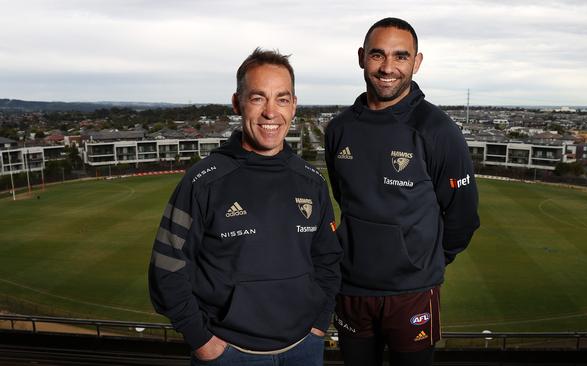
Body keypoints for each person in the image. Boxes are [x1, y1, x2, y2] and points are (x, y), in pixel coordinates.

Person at [149, 48, 342, 366]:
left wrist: (319, 324)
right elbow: (166, 269)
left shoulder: (311, 181)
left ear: (293, 106)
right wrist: (202, 341)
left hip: (304, 349)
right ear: (237, 103)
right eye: (257, 98)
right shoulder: (203, 181)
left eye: (281, 99)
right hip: (230, 355)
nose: (271, 112)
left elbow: (329, 261)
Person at [324, 18, 480, 366]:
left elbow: (463, 216)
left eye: (401, 56)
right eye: (378, 55)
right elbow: (344, 196)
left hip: (412, 293)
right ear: (362, 57)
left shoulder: (438, 130)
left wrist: (423, 263)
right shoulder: (339, 128)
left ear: (417, 62)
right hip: (351, 288)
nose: (388, 68)